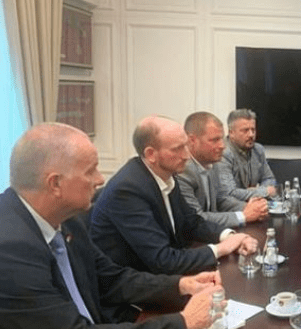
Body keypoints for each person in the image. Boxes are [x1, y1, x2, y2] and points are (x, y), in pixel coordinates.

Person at [0, 123, 222, 329]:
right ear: (55, 184)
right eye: (90, 171)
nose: (100, 179)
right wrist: (183, 322)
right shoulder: (7, 251)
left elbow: (110, 279)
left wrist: (181, 285)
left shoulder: (67, 219)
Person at [90, 116, 258, 275]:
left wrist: (230, 236)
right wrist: (222, 248)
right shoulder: (127, 190)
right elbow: (162, 260)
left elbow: (192, 222)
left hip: (162, 274)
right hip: (135, 284)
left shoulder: (167, 174)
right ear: (151, 154)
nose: (186, 155)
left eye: (186, 146)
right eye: (177, 149)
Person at [177, 111, 269, 228]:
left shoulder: (212, 163)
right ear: (192, 140)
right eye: (215, 140)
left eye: (221, 139)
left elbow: (221, 200)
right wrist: (243, 215)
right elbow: (196, 218)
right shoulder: (182, 171)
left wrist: (250, 208)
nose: (222, 146)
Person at [216, 109, 277, 201]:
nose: (251, 135)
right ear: (231, 133)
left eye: (253, 130)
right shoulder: (223, 153)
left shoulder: (258, 150)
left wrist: (253, 192)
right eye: (245, 130)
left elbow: (269, 179)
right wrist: (263, 192)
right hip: (232, 207)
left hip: (255, 203)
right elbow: (230, 193)